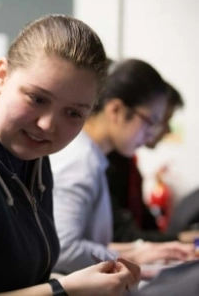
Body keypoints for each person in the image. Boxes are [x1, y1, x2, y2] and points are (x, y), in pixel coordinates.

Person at [0, 15, 139, 296]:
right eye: (37, 99)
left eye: (73, 113)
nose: (48, 124)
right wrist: (65, 289)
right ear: (1, 76)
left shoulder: (27, 147)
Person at [50, 59, 194, 275]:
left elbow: (87, 241)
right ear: (116, 110)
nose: (151, 134)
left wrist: (145, 249)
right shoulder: (78, 160)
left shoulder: (93, 157)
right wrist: (133, 256)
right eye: (150, 122)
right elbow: (64, 249)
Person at [106, 81, 185, 242]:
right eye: (158, 120)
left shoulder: (128, 162)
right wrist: (180, 238)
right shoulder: (105, 163)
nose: (168, 130)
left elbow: (144, 224)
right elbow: (122, 235)